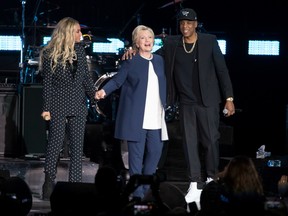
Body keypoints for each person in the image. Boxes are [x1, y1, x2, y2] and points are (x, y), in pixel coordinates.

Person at [122, 8, 235, 209]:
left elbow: (221, 69)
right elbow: (149, 55)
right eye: (182, 23)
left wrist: (229, 98)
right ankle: (194, 184)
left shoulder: (209, 41)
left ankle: (210, 180)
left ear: (195, 23)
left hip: (208, 101)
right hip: (186, 102)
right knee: (189, 143)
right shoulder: (172, 43)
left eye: (189, 23)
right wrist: (132, 50)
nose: (185, 26)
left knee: (210, 141)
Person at [95, 25, 168, 201]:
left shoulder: (159, 60)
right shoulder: (131, 60)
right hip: (136, 117)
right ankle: (138, 195)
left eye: (150, 37)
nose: (147, 41)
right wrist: (103, 92)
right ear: (136, 42)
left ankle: (145, 189)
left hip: (156, 116)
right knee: (135, 158)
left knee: (155, 152)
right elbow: (118, 81)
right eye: (143, 38)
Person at [39, 17, 97, 200]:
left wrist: (95, 95)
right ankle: (48, 182)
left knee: (77, 149)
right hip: (58, 104)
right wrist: (46, 108)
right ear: (68, 33)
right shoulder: (50, 54)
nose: (81, 34)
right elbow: (47, 84)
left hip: (78, 105)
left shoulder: (80, 51)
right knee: (55, 145)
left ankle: (75, 187)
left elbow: (86, 79)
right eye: (78, 31)